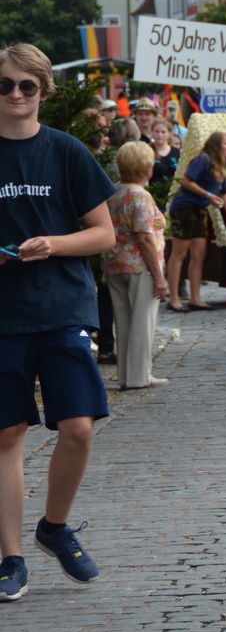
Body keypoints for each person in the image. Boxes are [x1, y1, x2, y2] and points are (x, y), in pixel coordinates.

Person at [0, 42, 117, 602]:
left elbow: (104, 233)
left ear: (43, 91)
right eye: (5, 84)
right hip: (4, 315)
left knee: (78, 427)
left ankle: (54, 526)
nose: (16, 94)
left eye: (27, 85)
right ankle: (11, 558)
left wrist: (53, 244)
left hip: (63, 305)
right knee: (7, 435)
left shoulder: (67, 150)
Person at [104, 141, 169, 390]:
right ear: (145, 167)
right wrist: (159, 277)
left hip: (115, 261)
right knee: (142, 322)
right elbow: (144, 237)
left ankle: (125, 375)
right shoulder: (140, 195)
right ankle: (139, 377)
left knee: (123, 322)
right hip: (141, 265)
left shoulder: (113, 190)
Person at [164, 131, 226, 312]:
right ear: (216, 145)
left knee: (199, 253)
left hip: (200, 210)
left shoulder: (221, 165)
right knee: (179, 253)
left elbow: (224, 194)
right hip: (184, 208)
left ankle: (195, 299)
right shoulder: (203, 160)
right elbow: (186, 181)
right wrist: (208, 195)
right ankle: (174, 298)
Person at [146, 115, 179, 185]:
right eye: (157, 131)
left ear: (169, 133)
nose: (160, 135)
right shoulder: (147, 152)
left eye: (163, 132)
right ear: (152, 133)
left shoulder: (177, 152)